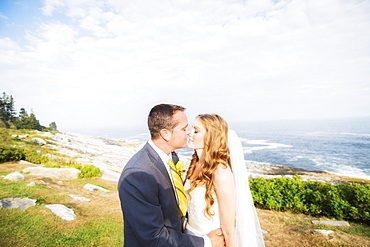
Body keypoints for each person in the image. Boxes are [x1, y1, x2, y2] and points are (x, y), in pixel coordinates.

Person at [118, 104, 225, 247]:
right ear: (165, 134)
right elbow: (154, 237)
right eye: (184, 128)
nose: (188, 132)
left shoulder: (171, 159)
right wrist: (206, 242)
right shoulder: (137, 176)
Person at [186, 114, 265, 247]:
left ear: (210, 137)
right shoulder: (194, 163)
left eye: (196, 131)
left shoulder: (221, 173)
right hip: (189, 238)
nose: (189, 133)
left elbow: (229, 230)